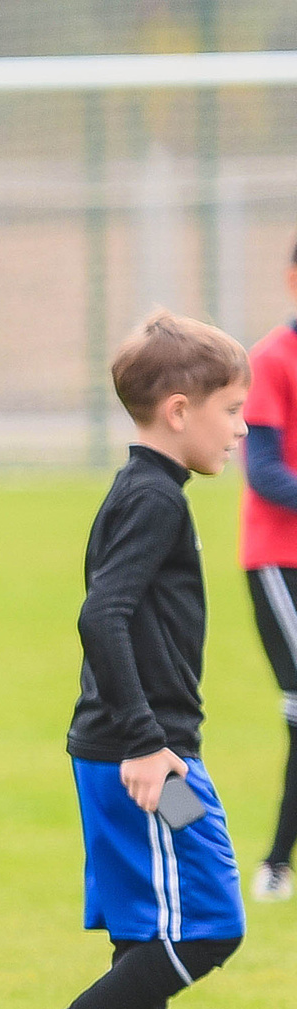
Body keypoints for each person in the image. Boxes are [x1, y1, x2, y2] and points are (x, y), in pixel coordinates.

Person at [0, 311, 269, 1009]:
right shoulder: (152, 498)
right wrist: (152, 746)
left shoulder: (146, 490)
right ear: (179, 411)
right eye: (231, 409)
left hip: (119, 754)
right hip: (145, 763)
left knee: (147, 933)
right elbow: (101, 614)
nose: (243, 426)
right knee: (213, 922)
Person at [237, 230, 297, 904]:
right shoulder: (274, 358)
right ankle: (276, 862)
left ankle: (278, 860)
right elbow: (265, 474)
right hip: (280, 561)